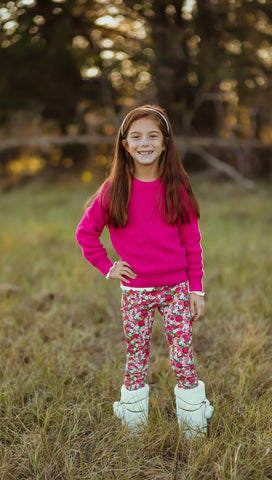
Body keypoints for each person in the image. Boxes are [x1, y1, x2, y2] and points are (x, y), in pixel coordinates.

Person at [75, 105, 213, 437]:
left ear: (165, 143)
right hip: (136, 292)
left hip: (177, 288)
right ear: (125, 144)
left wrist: (196, 289)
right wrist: (108, 267)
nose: (144, 143)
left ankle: (194, 421)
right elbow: (86, 232)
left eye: (153, 136)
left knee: (183, 356)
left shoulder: (176, 187)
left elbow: (192, 243)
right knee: (137, 355)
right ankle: (134, 421)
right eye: (136, 136)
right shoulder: (113, 190)